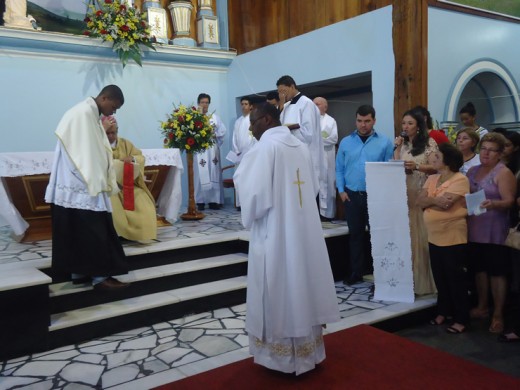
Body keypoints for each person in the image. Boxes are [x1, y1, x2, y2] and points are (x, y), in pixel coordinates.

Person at [233, 103, 340, 375]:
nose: (251, 127)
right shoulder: (300, 147)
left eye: (254, 121)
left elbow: (253, 196)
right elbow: (313, 186)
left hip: (276, 235)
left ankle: (279, 359)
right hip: (302, 234)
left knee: (279, 285)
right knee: (302, 282)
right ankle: (307, 354)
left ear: (267, 119)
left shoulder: (264, 149)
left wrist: (240, 178)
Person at [44, 85, 129, 291]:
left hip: (79, 183)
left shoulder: (90, 113)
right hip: (81, 183)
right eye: (114, 106)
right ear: (105, 97)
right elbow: (85, 154)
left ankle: (81, 273)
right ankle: (100, 278)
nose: (113, 111)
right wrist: (98, 179)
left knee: (78, 231)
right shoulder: (83, 114)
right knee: (94, 231)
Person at [336, 104, 394, 286]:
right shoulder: (346, 142)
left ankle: (380, 276)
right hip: (352, 195)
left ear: (374, 121)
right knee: (356, 236)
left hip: (375, 196)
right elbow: (339, 168)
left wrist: (384, 196)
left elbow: (388, 170)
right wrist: (341, 191)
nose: (363, 125)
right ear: (356, 120)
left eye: (367, 121)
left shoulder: (384, 142)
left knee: (377, 236)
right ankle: (356, 272)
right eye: (360, 121)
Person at [417, 143, 470, 334]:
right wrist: (433, 200)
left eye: (437, 156)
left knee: (455, 279)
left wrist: (430, 201)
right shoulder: (432, 178)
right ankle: (444, 311)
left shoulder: (460, 179)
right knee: (440, 277)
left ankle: (461, 318)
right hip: (434, 236)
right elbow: (419, 201)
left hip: (453, 236)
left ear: (447, 160)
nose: (433, 158)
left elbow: (446, 204)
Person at [467, 132, 516, 333]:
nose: (486, 153)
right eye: (483, 149)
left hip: (495, 230)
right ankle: (482, 306)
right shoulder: (472, 171)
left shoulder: (503, 172)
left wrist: (493, 203)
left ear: (500, 153)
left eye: (491, 150)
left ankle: (498, 314)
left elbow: (510, 201)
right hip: (474, 227)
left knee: (497, 272)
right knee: (479, 269)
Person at [394, 109, 438, 295]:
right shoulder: (403, 144)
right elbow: (396, 165)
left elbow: (437, 167)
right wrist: (397, 147)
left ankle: (424, 283)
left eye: (410, 123)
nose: (406, 127)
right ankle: (407, 279)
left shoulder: (429, 143)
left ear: (419, 126)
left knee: (421, 238)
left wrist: (418, 166)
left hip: (421, 193)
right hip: (405, 193)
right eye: (404, 123)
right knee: (408, 238)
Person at [102, 115, 157, 241]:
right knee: (113, 205)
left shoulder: (125, 143)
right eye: (108, 133)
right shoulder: (99, 146)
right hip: (110, 187)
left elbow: (140, 157)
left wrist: (132, 159)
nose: (111, 136)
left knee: (143, 202)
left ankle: (139, 234)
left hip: (128, 184)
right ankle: (120, 235)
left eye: (113, 133)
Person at [276, 75, 325, 205]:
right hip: (290, 156)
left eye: (283, 91)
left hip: (305, 156)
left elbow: (309, 134)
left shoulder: (306, 103)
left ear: (292, 87)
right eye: (279, 92)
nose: (281, 95)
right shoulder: (286, 106)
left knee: (306, 197)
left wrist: (291, 128)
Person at [194, 93, 227, 210]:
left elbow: (222, 131)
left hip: (212, 150)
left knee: (213, 171)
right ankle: (200, 201)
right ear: (198, 103)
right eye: (202, 102)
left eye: (207, 102)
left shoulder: (214, 117)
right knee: (199, 174)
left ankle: (214, 200)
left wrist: (215, 134)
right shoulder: (193, 118)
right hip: (199, 151)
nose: (205, 105)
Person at [314, 97, 338, 221]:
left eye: (317, 104)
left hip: (326, 159)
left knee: (327, 185)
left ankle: (326, 215)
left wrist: (316, 140)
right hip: (313, 161)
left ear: (325, 107)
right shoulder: (308, 121)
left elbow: (333, 138)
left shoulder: (331, 121)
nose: (314, 107)